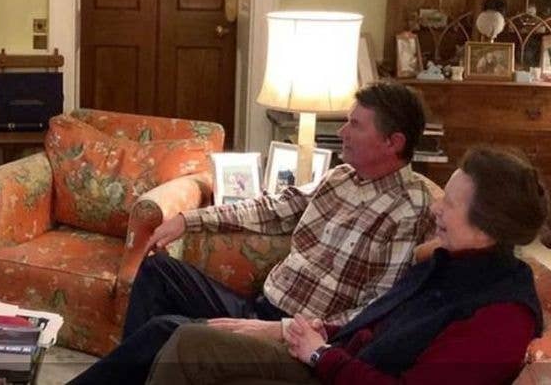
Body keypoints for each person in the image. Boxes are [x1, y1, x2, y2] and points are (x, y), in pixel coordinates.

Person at [68, 82, 434, 385]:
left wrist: (284, 329)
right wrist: (188, 220)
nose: (342, 133)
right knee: (160, 270)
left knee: (168, 330)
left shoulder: (408, 209)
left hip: (296, 335)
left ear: (393, 142)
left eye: (355, 125)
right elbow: (273, 209)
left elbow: (373, 313)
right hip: (263, 305)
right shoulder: (340, 178)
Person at [146, 146, 546, 385]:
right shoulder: (446, 262)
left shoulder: (502, 315)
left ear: (488, 227)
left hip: (336, 372)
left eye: (451, 204)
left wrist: (323, 355)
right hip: (334, 359)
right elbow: (386, 323)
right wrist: (328, 332)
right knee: (187, 338)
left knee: (188, 343)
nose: (437, 207)